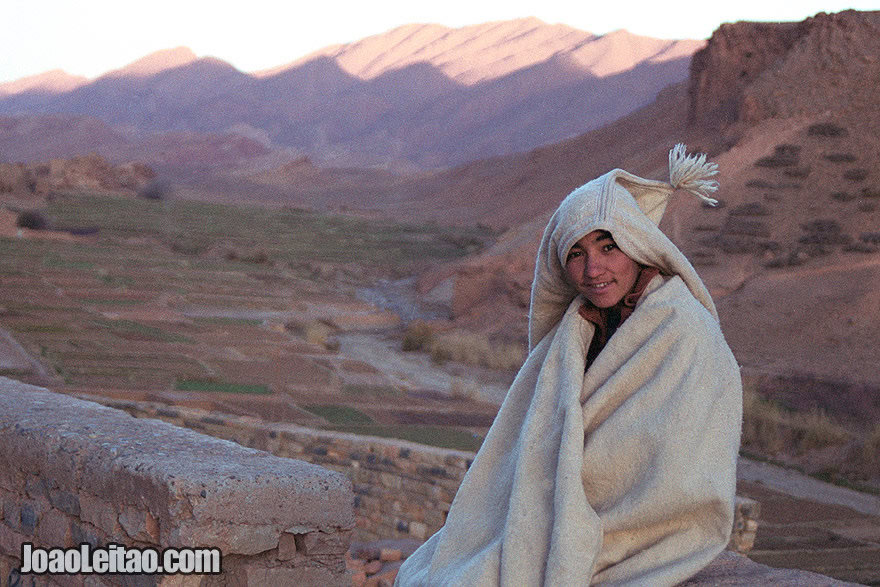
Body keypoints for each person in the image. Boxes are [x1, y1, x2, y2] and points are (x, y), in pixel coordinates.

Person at [395, 145, 743, 586]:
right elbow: (532, 438)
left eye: (608, 246)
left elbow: (666, 466)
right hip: (561, 507)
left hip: (641, 523)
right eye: (576, 253)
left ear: (638, 248)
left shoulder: (682, 330)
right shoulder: (577, 328)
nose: (592, 269)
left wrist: (570, 498)